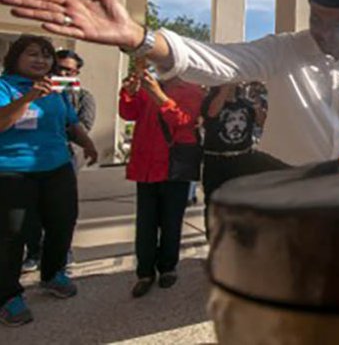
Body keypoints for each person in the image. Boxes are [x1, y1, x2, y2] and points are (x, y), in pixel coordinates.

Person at [2, 0, 339, 166]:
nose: (324, 31)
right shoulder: (283, 50)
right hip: (287, 180)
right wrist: (139, 37)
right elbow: (219, 61)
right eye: (317, 18)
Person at [0, 36, 97, 327]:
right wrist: (28, 98)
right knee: (11, 234)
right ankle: (8, 296)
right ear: (15, 57)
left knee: (63, 221)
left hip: (56, 166)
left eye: (45, 56)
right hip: (12, 171)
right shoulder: (5, 87)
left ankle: (53, 274)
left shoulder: (55, 90)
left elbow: (71, 122)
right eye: (32, 54)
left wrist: (88, 143)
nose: (40, 61)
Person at [119, 70, 204, 298]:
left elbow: (184, 120)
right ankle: (144, 272)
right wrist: (128, 94)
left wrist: (160, 96)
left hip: (173, 166)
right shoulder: (147, 87)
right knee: (145, 223)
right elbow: (128, 114)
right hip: (145, 165)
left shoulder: (191, 89)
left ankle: (168, 267)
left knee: (171, 220)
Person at [22, 48, 96, 273]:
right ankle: (34, 252)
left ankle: (62, 252)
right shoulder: (29, 90)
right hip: (29, 158)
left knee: (60, 209)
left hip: (64, 155)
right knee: (31, 210)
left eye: (69, 71)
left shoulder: (81, 96)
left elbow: (82, 125)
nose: (63, 74)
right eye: (60, 68)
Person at [200, 83, 260, 235]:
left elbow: (261, 121)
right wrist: (225, 88)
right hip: (216, 161)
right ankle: (214, 245)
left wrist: (256, 101)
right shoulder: (209, 100)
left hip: (242, 160)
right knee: (214, 204)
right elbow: (212, 113)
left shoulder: (245, 103)